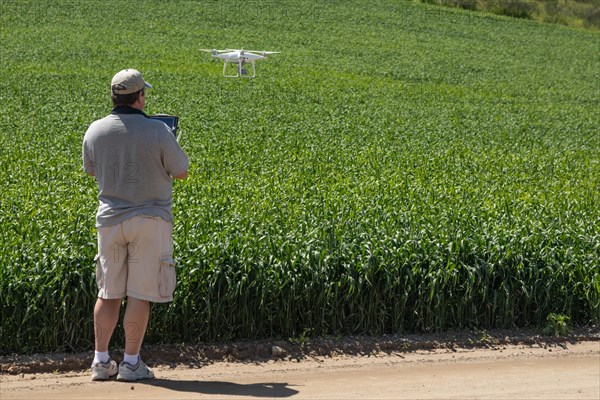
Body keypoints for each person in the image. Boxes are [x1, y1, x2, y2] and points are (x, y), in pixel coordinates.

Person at [82, 69, 189, 381]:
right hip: (149, 221)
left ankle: (101, 362)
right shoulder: (158, 131)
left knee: (108, 291)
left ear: (115, 97)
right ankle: (130, 364)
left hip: (110, 221)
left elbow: (91, 170)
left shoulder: (95, 130)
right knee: (140, 293)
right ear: (140, 97)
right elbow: (181, 172)